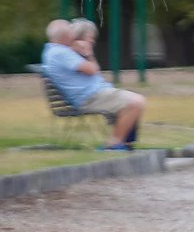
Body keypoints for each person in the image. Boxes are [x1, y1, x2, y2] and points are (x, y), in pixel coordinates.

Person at [41, 17, 147, 150]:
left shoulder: (56, 51)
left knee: (134, 100)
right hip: (89, 97)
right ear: (66, 36)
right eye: (71, 33)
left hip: (94, 94)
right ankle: (114, 144)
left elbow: (94, 71)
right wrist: (88, 53)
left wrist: (84, 52)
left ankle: (125, 143)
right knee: (136, 101)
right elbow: (92, 70)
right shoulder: (60, 53)